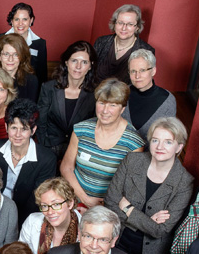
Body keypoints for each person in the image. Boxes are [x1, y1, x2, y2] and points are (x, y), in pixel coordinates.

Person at [105, 117, 194, 254]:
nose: (159, 147)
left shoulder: (184, 182)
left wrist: (128, 209)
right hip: (117, 239)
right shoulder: (132, 160)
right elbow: (110, 201)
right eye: (155, 140)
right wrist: (147, 221)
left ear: (179, 147)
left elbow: (160, 230)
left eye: (168, 142)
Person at [60, 78, 144, 209]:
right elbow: (66, 168)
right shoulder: (81, 130)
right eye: (102, 103)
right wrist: (84, 199)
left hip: (109, 207)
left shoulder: (133, 143)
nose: (105, 111)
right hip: (75, 199)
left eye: (113, 105)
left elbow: (130, 186)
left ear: (122, 109)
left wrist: (101, 207)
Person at [0, 98, 57, 223]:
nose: (18, 134)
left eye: (24, 129)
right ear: (6, 127)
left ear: (33, 130)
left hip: (25, 217)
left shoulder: (46, 159)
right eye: (14, 127)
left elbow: (37, 200)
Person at [37, 41, 99, 158]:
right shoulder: (49, 87)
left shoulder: (95, 93)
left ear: (90, 65)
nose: (78, 66)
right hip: (50, 147)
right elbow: (41, 122)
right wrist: (44, 148)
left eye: (84, 62)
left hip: (79, 150)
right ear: (66, 62)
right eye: (74, 60)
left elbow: (95, 126)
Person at [19, 178, 81, 254]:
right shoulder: (32, 221)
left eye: (56, 204)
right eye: (44, 206)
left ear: (70, 203)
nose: (50, 212)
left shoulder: (85, 229)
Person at [93, 4, 155, 85]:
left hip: (125, 96)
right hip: (93, 92)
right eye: (120, 23)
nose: (124, 28)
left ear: (137, 27)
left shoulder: (146, 50)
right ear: (115, 24)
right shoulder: (101, 42)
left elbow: (143, 83)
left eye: (130, 24)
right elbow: (89, 71)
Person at [123, 49, 176, 140]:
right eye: (133, 71)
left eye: (142, 70)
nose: (137, 76)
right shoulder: (122, 92)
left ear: (153, 71)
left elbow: (167, 139)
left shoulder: (167, 101)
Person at [0, 2, 48, 84]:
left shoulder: (40, 43)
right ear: (12, 21)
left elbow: (42, 74)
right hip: (3, 85)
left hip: (29, 87)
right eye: (17, 19)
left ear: (31, 20)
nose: (20, 24)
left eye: (25, 19)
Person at [0, 33, 39, 102]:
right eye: (6, 54)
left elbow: (31, 110)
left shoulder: (31, 81)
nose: (10, 59)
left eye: (16, 54)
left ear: (22, 57)